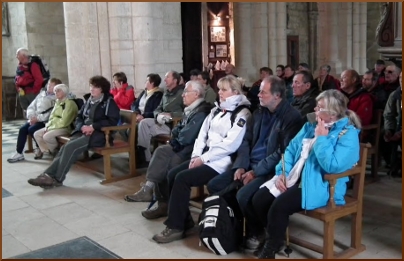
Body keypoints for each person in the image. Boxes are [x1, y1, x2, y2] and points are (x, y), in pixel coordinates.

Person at [251, 89, 362, 258]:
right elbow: (290, 150)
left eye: (320, 108)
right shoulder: (310, 124)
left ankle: (271, 248)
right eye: (317, 106)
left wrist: (322, 139)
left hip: (321, 185)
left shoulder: (348, 134)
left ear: (332, 114)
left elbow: (333, 166)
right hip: (295, 176)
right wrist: (283, 173)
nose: (315, 110)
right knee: (259, 199)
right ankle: (274, 237)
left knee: (278, 207)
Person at [206, 75, 303, 250]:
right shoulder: (259, 113)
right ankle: (237, 224)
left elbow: (282, 153)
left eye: (263, 92)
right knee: (215, 185)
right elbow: (246, 141)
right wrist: (241, 165)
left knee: (244, 195)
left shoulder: (292, 118)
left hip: (270, 169)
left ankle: (258, 230)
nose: (258, 95)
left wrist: (255, 171)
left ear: (277, 96)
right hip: (249, 164)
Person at [152, 75, 252, 244]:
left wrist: (204, 158)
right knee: (172, 174)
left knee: (182, 179)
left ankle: (176, 227)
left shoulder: (242, 113)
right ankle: (185, 221)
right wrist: (196, 156)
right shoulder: (215, 110)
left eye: (224, 90)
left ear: (235, 92)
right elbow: (201, 136)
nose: (219, 93)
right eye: (219, 89)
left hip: (222, 163)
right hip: (205, 157)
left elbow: (230, 145)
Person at [124, 80, 212, 203]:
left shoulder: (201, 112)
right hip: (183, 146)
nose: (183, 94)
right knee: (161, 152)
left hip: (190, 150)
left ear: (196, 94)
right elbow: (177, 129)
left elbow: (187, 136)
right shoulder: (192, 109)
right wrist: (176, 133)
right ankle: (155, 193)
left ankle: (160, 197)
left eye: (186, 92)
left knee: (165, 157)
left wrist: (176, 135)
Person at [27, 75, 120, 188]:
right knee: (64, 148)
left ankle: (57, 179)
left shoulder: (109, 102)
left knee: (70, 147)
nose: (92, 89)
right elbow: (79, 117)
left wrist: (93, 127)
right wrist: (81, 127)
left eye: (95, 87)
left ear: (102, 89)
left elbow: (113, 121)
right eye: (91, 86)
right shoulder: (89, 101)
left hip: (100, 135)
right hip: (83, 132)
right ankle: (47, 175)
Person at [7, 78, 61, 163]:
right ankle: (19, 153)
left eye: (51, 86)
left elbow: (51, 113)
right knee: (22, 129)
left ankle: (39, 147)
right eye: (48, 84)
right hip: (34, 119)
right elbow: (32, 106)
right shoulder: (41, 94)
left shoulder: (56, 98)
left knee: (31, 129)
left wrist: (38, 119)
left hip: (45, 121)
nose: (49, 87)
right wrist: (31, 116)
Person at [136, 70, 184, 165]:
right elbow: (158, 108)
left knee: (147, 130)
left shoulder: (181, 94)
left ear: (174, 80)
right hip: (161, 121)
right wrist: (158, 115)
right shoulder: (166, 93)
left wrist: (171, 115)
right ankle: (145, 156)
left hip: (173, 125)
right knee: (144, 122)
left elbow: (186, 112)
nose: (165, 80)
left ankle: (145, 157)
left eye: (167, 77)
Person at [33, 84, 79, 159]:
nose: (56, 93)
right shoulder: (57, 102)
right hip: (54, 126)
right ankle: (48, 151)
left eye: (58, 91)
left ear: (64, 92)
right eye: (55, 91)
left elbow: (64, 121)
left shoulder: (70, 103)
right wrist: (47, 127)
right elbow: (52, 117)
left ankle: (57, 152)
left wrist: (50, 128)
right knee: (37, 134)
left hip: (66, 127)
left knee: (47, 136)